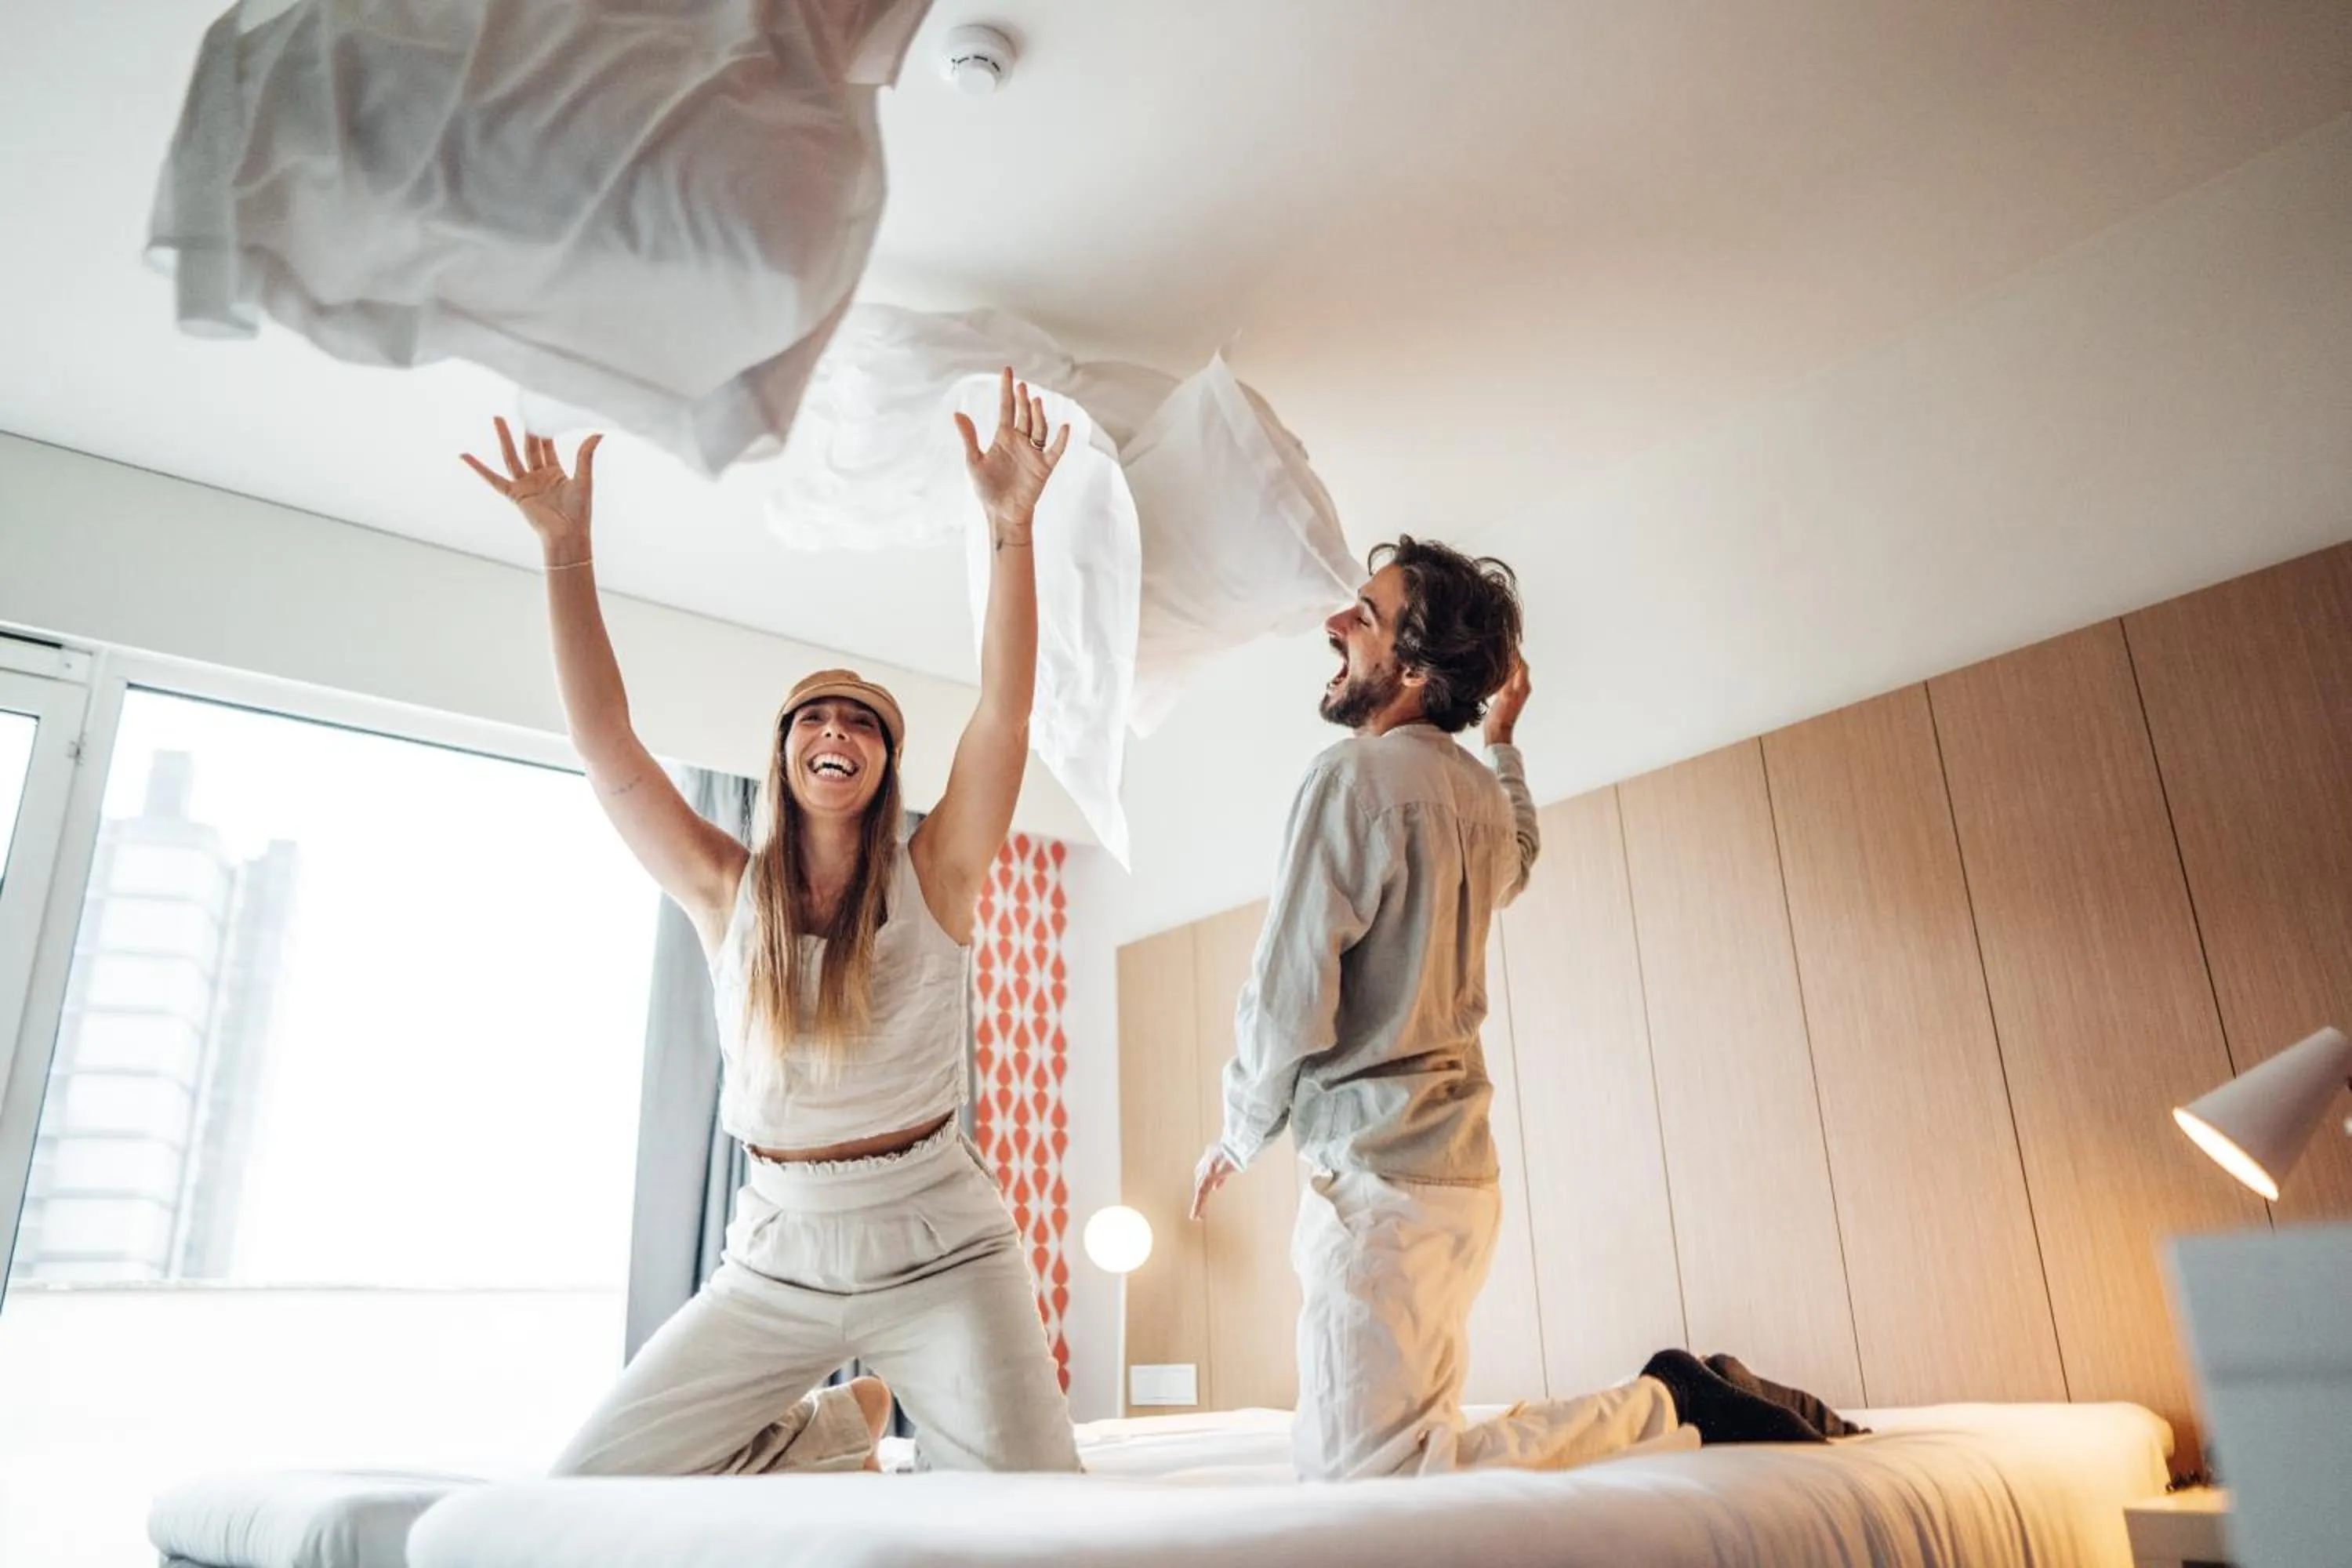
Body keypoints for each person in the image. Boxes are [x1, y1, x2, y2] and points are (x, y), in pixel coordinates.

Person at [461, 368, 1082, 1476]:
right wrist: (565, 548)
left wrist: (1012, 527)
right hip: (777, 1255)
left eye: (862, 724)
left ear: (885, 764)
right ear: (785, 753)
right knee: (589, 1488)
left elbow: (1004, 712)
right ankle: (828, 1429)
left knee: (1039, 1519)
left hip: (940, 1248)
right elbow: (607, 746)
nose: (835, 732)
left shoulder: (936, 873)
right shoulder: (723, 887)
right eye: (814, 718)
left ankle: (850, 1426)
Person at [1189, 537, 1859, 1480]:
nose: (1334, 621)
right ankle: (1670, 1398)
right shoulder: (1476, 796)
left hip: (1379, 1180)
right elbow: (1521, 858)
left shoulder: (1350, 779)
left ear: (1413, 669)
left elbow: (1287, 994)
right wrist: (1500, 743)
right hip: (1456, 1179)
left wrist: (1238, 1130)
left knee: (1363, 1476)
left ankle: (1668, 1399)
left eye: (1364, 615)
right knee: (1379, 1455)